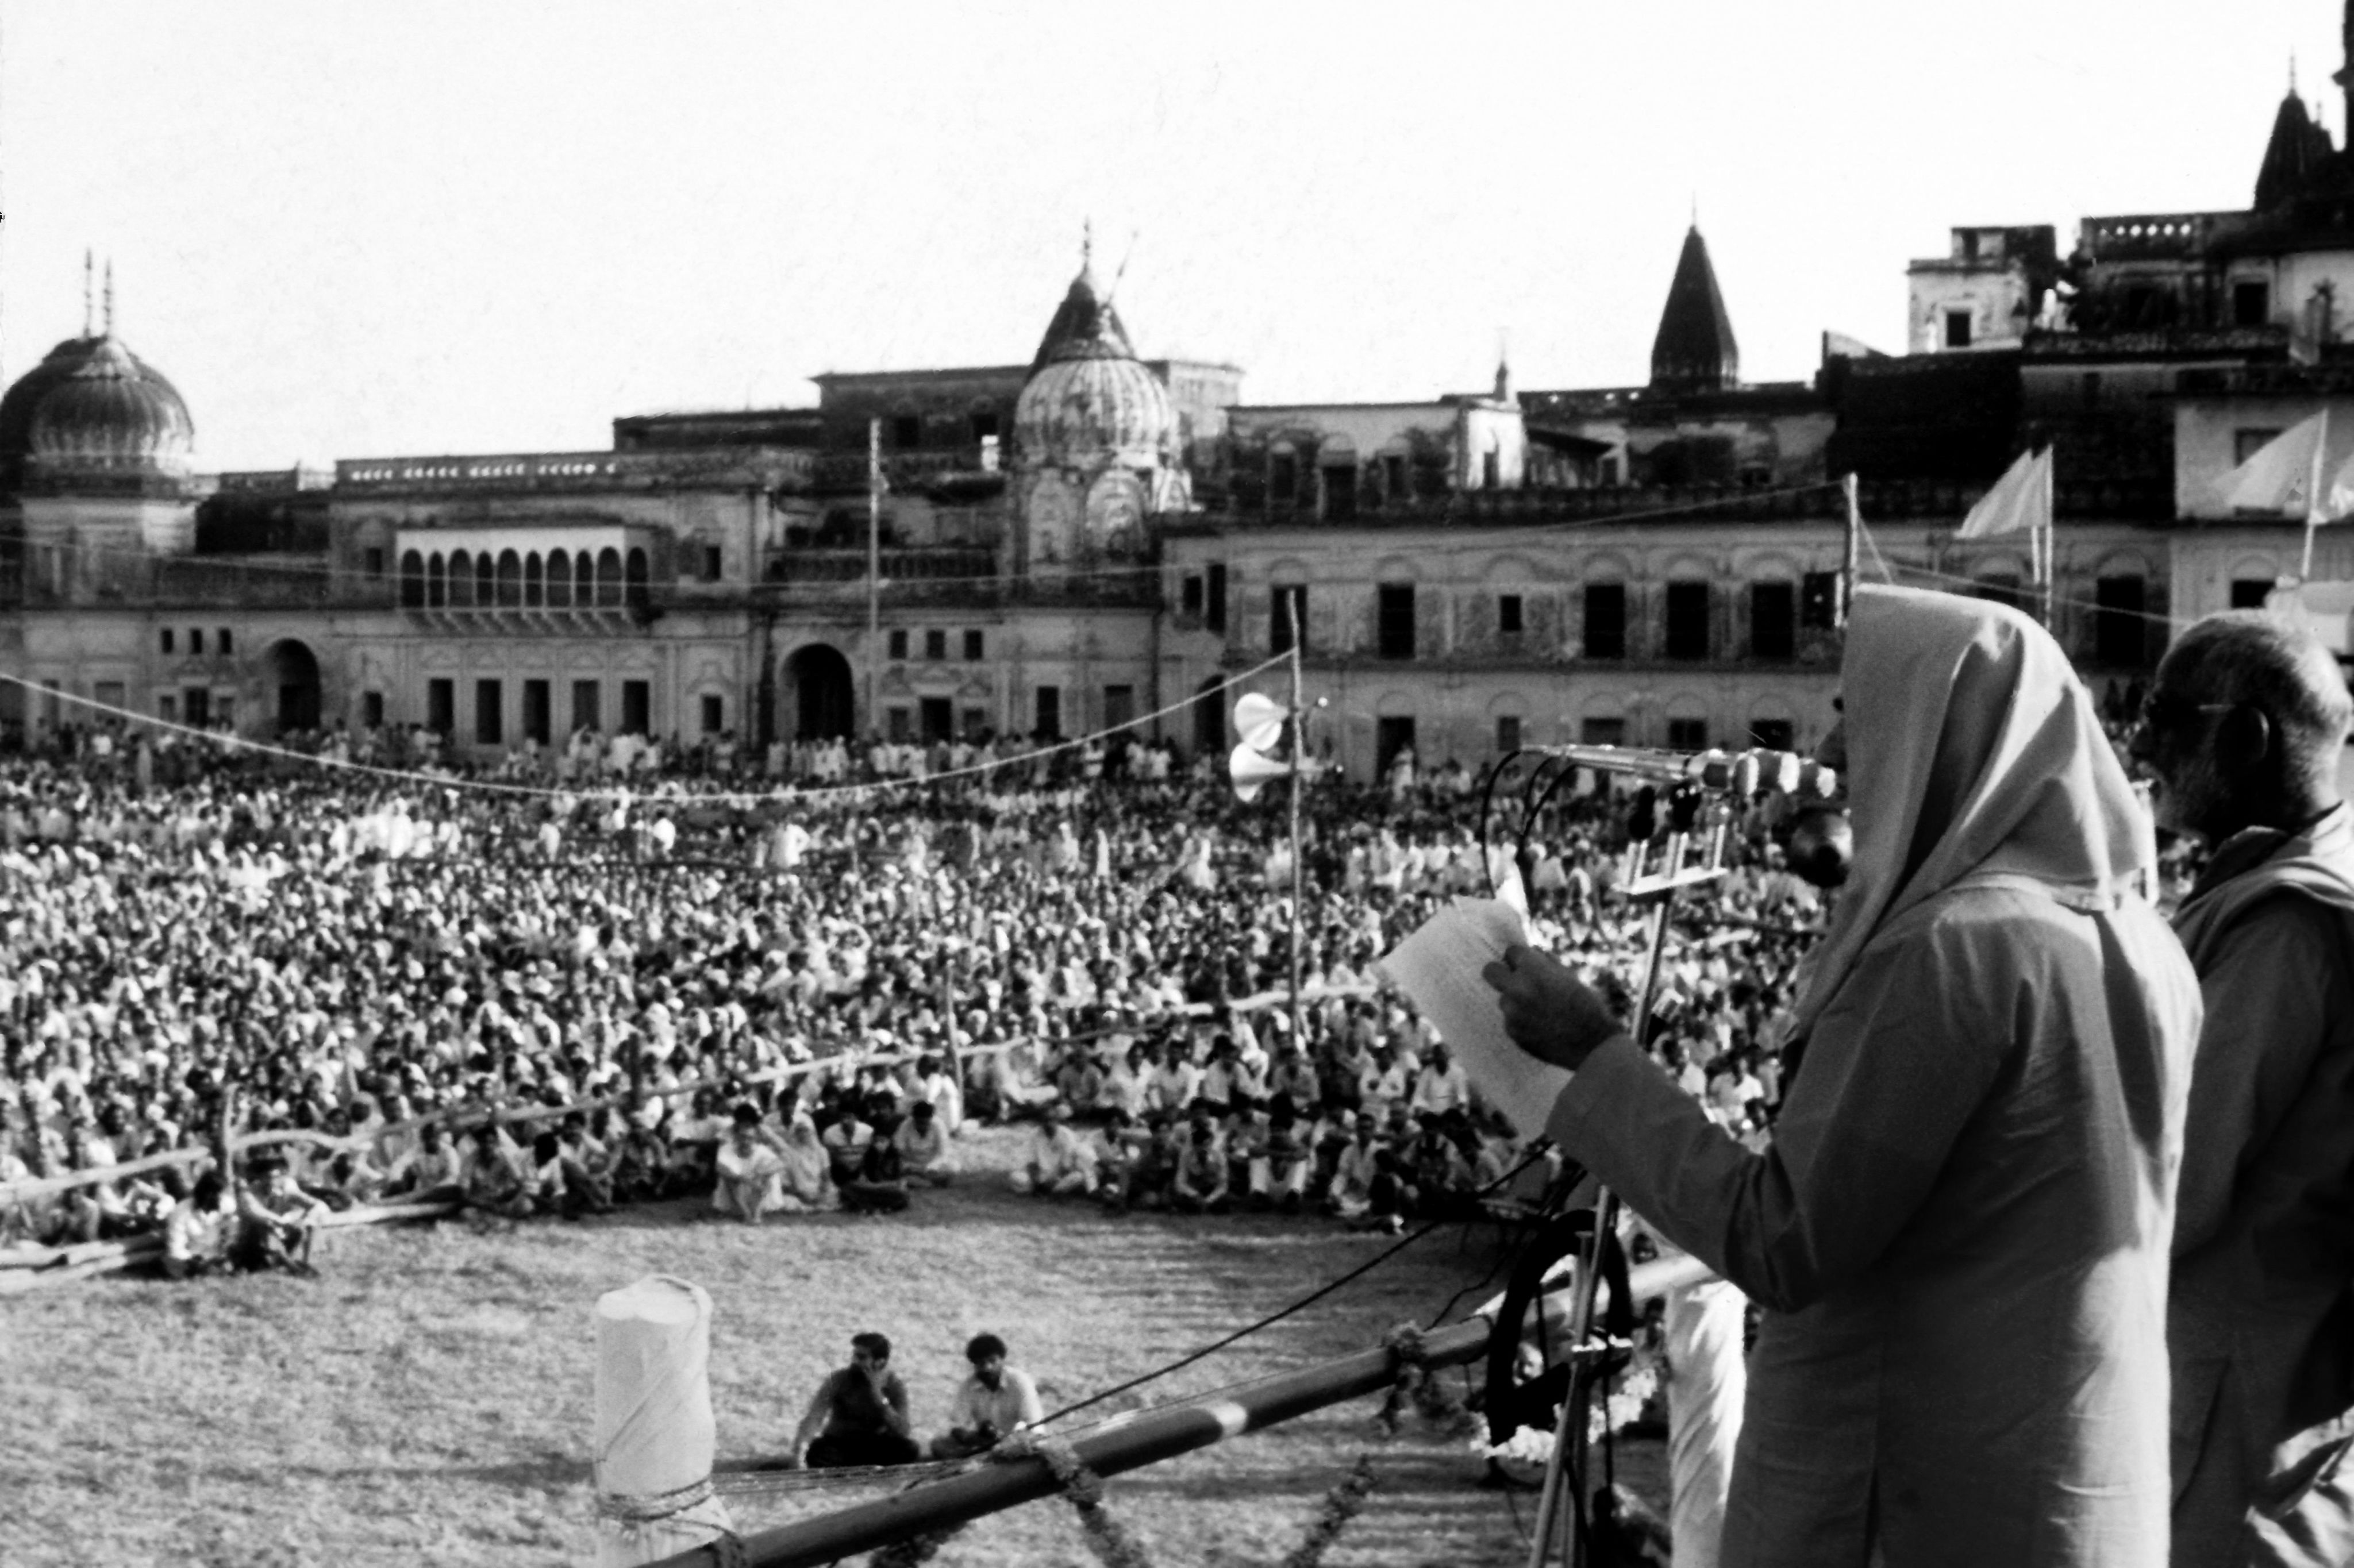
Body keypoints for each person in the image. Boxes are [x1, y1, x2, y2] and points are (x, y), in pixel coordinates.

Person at [1484, 585, 2202, 1567]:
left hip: (1920, 1488)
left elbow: (1782, 1239)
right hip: (2068, 1468)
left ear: (1936, 742)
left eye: (1858, 725)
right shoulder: (2143, 938)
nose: (1832, 759)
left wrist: (1596, 1052)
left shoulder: (1950, 952)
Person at [2130, 609, 2354, 1565]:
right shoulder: (2291, 882)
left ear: (2245, 735)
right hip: (2272, 1401)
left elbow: (2172, 1181)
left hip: (2239, 1426)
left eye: (2163, 713)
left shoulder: (2287, 926)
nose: (2140, 742)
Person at [790, 1331, 922, 1469]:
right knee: (816, 1451)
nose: (854, 1361)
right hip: (840, 1444)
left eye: (861, 1357)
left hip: (875, 1446)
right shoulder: (838, 1380)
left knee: (910, 1449)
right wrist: (800, 1448)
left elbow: (903, 1431)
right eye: (854, 1355)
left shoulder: (895, 1386)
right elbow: (815, 1417)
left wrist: (879, 1398)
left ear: (880, 1363)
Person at [930, 1332, 1045, 1459]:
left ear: (1002, 1360)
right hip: (987, 1444)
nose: (987, 1368)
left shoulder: (1020, 1382)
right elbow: (958, 1424)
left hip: (1020, 1442)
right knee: (939, 1445)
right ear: (974, 1365)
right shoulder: (968, 1387)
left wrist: (1011, 1439)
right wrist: (969, 1437)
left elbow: (1034, 1424)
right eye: (981, 1364)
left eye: (992, 1361)